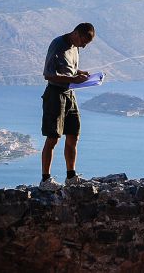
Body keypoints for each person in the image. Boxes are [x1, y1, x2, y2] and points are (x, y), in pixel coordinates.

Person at [39, 22, 95, 191]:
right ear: (76, 33)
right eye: (83, 42)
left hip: (70, 94)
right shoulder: (58, 45)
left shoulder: (74, 47)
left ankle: (71, 176)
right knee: (53, 138)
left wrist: (80, 73)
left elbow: (69, 69)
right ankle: (45, 180)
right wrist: (72, 79)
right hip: (55, 95)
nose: (83, 46)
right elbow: (48, 74)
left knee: (73, 136)